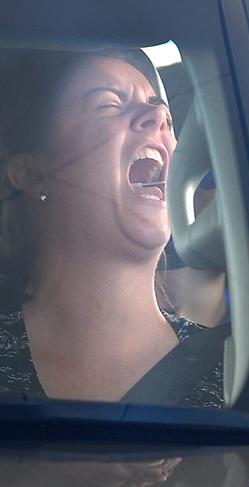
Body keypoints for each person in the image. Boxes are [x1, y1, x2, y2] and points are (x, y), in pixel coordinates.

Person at [0, 48, 224, 407]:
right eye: (109, 105)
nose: (159, 116)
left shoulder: (235, 378)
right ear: (33, 174)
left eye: (163, 114)